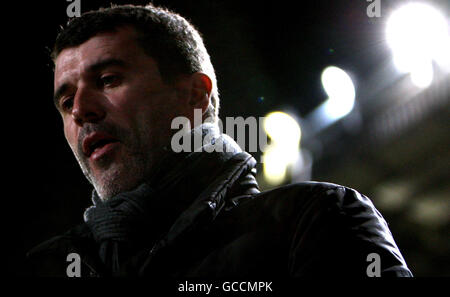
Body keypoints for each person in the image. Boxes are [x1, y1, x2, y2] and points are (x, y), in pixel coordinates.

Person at [26, 4, 412, 278]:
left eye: (108, 80)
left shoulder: (316, 221)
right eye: (64, 100)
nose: (80, 110)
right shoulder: (48, 266)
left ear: (195, 95)